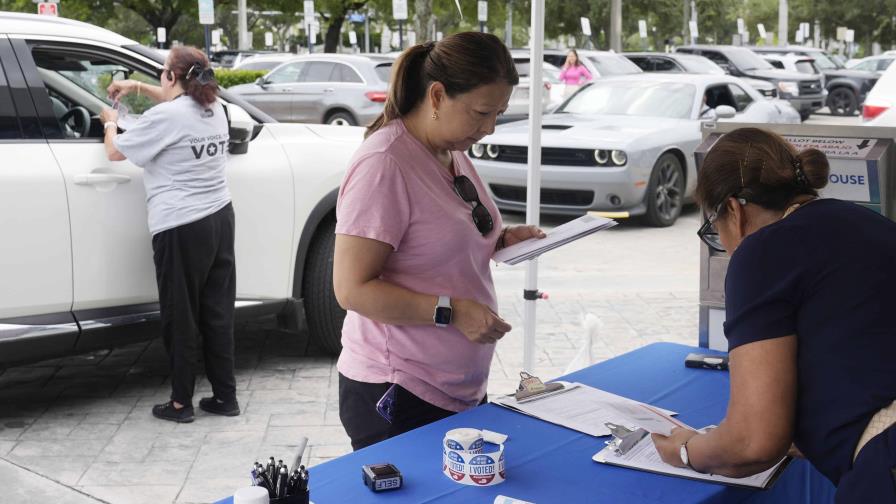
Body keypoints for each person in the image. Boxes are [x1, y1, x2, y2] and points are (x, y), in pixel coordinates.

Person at [652, 127, 896, 503]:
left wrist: (687, 450)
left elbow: (752, 443)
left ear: (734, 210)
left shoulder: (763, 249)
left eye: (714, 227)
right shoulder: (869, 224)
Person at [333, 32, 546, 451]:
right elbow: (352, 289)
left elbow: (436, 237)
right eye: (481, 113)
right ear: (436, 96)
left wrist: (500, 239)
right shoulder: (384, 164)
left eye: (498, 114)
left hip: (455, 387)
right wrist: (452, 312)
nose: (487, 128)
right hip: (398, 388)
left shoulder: (449, 148)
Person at [99, 46, 240, 423]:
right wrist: (138, 87)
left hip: (180, 225)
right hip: (220, 218)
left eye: (163, 71)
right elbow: (177, 100)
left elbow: (115, 153)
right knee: (216, 312)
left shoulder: (166, 117)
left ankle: (180, 403)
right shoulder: (216, 109)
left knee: (181, 315)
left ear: (173, 77)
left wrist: (111, 121)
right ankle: (225, 397)